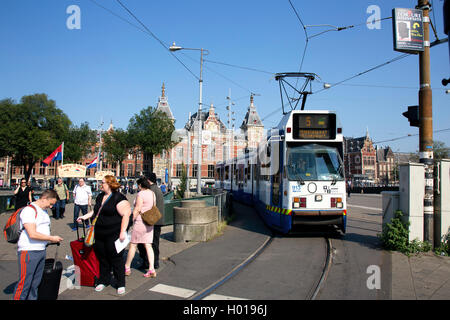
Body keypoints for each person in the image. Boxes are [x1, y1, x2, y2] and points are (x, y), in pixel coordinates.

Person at [77, 175, 131, 295]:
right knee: (102, 257)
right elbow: (96, 210)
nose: (101, 185)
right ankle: (104, 280)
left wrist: (122, 231)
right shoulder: (101, 196)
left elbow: (126, 215)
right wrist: (85, 216)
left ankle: (120, 282)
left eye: (103, 183)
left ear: (110, 184)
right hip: (100, 233)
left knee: (116, 258)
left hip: (114, 233)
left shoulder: (119, 197)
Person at [13, 189, 63, 300]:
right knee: (25, 284)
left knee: (35, 283)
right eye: (50, 204)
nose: (51, 207)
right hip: (29, 250)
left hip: (41, 249)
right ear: (44, 199)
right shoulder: (29, 210)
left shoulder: (43, 211)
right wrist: (51, 238)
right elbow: (32, 234)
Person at [124, 177, 157, 278]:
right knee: (148, 245)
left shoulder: (140, 194)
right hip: (150, 221)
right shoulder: (152, 193)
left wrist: (131, 220)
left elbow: (137, 208)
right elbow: (154, 206)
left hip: (140, 221)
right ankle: (151, 268)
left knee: (133, 244)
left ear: (140, 185)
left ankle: (127, 267)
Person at [137, 173, 164, 270]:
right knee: (155, 243)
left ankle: (147, 262)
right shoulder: (157, 189)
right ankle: (155, 262)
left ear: (148, 180)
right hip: (158, 220)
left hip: (151, 220)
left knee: (145, 243)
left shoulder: (150, 191)